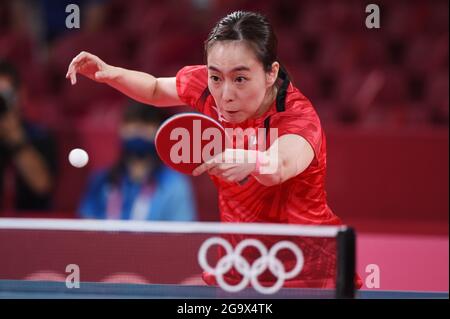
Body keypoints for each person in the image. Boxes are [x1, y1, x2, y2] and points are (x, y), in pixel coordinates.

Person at [66, 11, 361, 288]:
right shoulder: (208, 87)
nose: (225, 94)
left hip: (307, 275)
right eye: (216, 76)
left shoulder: (296, 117)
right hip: (240, 267)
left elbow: (280, 165)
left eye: (240, 79)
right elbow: (156, 90)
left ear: (271, 73)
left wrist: (253, 159)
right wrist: (110, 73)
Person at [78, 102, 197, 221]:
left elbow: (180, 235)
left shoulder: (174, 184)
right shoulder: (101, 180)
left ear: (160, 131)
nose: (138, 129)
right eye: (131, 122)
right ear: (121, 128)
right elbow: (86, 231)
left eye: (146, 123)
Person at [0, 60, 57, 212]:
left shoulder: (40, 136)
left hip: (28, 224)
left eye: (5, 95)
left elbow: (42, 185)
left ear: (21, 94)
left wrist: (14, 136)